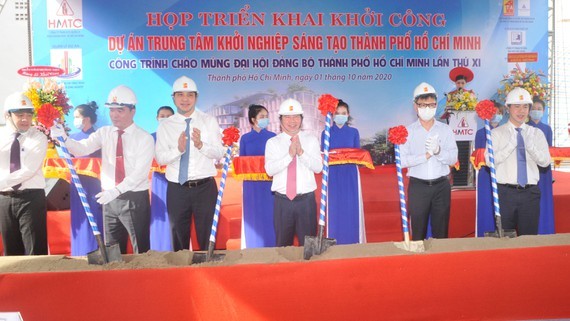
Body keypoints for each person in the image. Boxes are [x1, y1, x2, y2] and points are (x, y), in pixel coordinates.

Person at [51, 85, 154, 253]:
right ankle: (116, 279)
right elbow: (80, 149)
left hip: (133, 199)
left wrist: (115, 191)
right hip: (109, 201)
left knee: (140, 250)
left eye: (120, 110)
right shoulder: (104, 132)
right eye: (111, 110)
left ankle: (141, 279)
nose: (114, 115)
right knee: (112, 251)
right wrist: (63, 138)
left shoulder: (144, 138)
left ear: (132, 111)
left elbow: (139, 175)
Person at [155, 76, 225, 251]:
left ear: (196, 97)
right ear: (173, 98)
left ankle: (208, 269)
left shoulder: (208, 121)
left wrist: (201, 145)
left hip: (205, 188)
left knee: (207, 234)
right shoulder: (165, 126)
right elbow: (161, 158)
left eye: (189, 95)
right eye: (180, 95)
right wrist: (178, 150)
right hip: (177, 188)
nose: (185, 99)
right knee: (178, 235)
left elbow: (219, 152)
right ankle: (180, 272)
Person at [400, 82, 458, 241]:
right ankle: (417, 263)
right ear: (415, 106)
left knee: (441, 230)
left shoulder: (445, 130)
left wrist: (438, 152)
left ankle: (441, 263)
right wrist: (425, 156)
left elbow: (453, 158)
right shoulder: (407, 132)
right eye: (423, 105)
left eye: (431, 105)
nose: (427, 109)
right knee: (418, 231)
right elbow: (402, 161)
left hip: (441, 186)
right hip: (418, 187)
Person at [491, 87, 551, 235]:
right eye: (516, 106)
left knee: (529, 241)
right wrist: (510, 144)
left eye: (525, 106)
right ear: (508, 108)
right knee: (504, 241)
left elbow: (545, 162)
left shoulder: (536, 133)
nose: (521, 111)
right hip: (505, 193)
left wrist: (530, 146)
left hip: (530, 193)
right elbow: (490, 162)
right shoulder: (496, 134)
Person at [265, 98, 323, 246]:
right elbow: (270, 170)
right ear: (280, 119)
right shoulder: (273, 143)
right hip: (283, 202)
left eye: (296, 116)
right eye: (287, 117)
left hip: (306, 201)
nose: (292, 121)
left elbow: (318, 167)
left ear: (302, 119)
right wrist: (289, 155)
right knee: (283, 247)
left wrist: (301, 153)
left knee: (309, 248)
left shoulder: (311, 140)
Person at [0, 92, 49, 255]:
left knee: (35, 250)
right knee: (11, 252)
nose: (25, 119)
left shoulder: (38, 137)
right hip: (4, 199)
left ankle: (38, 281)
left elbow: (28, 169)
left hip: (31, 198)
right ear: (8, 115)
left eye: (29, 115)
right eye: (20, 115)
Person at [321, 99, 365, 244]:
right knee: (334, 209)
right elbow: (323, 156)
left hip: (350, 174)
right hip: (332, 175)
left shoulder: (353, 132)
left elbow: (358, 154)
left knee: (351, 207)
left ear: (348, 114)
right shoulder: (325, 133)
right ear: (332, 115)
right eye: (337, 113)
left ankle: (354, 240)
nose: (340, 116)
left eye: (343, 113)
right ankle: (334, 241)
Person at [68, 102, 104, 256]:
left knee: (95, 216)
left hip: (94, 184)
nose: (75, 120)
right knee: (79, 217)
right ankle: (79, 251)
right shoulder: (71, 138)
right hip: (76, 184)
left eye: (77, 117)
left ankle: (96, 250)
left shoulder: (97, 138)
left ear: (87, 119)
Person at [239, 104, 276, 248]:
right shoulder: (245, 139)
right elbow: (242, 162)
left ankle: (272, 246)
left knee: (270, 215)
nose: (265, 119)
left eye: (267, 117)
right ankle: (253, 246)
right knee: (253, 216)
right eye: (262, 117)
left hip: (270, 183)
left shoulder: (273, 137)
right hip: (251, 185)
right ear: (253, 119)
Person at [474, 101, 504, 237]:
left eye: (499, 113)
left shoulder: (505, 131)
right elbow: (480, 156)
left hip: (502, 174)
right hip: (486, 175)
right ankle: (484, 232)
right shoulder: (481, 133)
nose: (496, 116)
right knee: (486, 206)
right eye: (493, 113)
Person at [527, 97, 554, 234]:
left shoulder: (547, 129)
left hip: (544, 170)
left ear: (543, 111)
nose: (536, 111)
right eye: (533, 109)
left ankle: (545, 229)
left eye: (539, 109)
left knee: (544, 199)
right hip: (529, 168)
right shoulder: (525, 127)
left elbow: (549, 150)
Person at [150, 105, 174, 251]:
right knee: (159, 212)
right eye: (162, 116)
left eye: (168, 116)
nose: (165, 119)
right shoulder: (150, 138)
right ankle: (158, 247)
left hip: (175, 180)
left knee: (174, 213)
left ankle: (175, 246)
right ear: (157, 118)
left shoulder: (180, 136)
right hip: (158, 180)